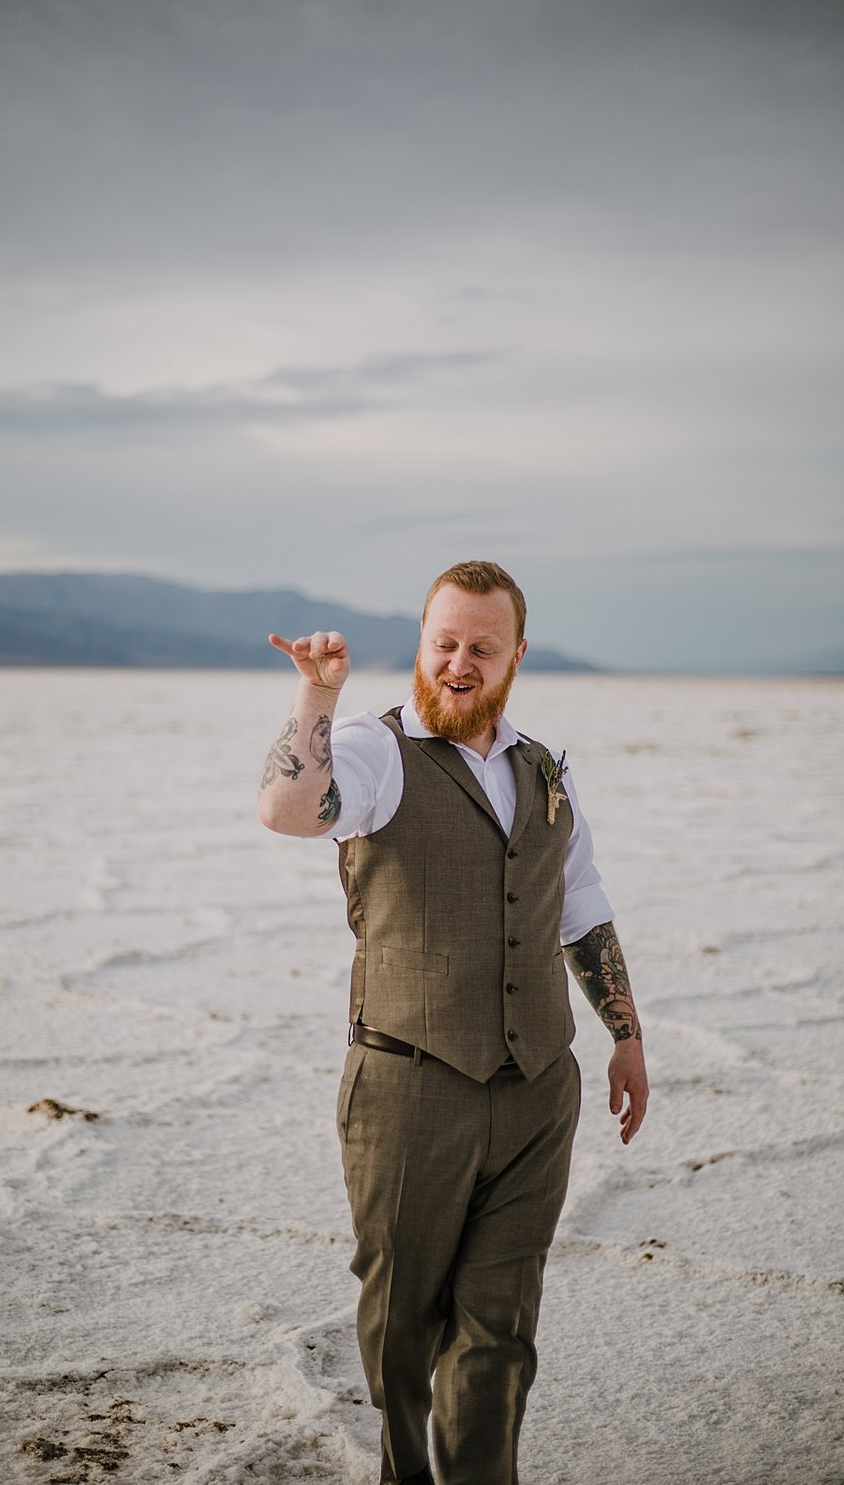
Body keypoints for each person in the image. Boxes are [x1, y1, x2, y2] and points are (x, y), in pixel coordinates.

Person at [258, 561, 648, 1485]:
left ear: (517, 653)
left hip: (537, 1094)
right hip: (408, 1090)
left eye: (482, 646)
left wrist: (625, 1035)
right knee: (402, 1325)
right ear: (423, 643)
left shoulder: (543, 767)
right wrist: (316, 695)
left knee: (501, 1329)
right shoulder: (374, 751)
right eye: (445, 643)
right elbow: (286, 809)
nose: (460, 663)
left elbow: (579, 905)